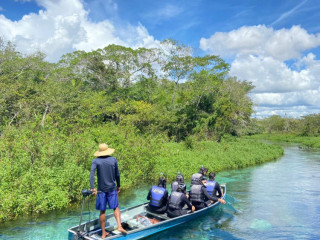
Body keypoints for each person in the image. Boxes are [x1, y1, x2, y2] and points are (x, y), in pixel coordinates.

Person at [90, 143, 127, 238]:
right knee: (116, 207)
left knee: (102, 212)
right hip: (111, 189)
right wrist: (118, 185)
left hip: (101, 190)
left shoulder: (96, 161)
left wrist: (92, 187)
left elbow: (92, 174)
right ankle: (119, 226)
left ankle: (103, 233)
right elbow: (117, 174)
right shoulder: (113, 159)